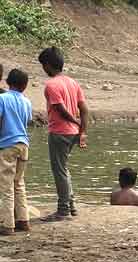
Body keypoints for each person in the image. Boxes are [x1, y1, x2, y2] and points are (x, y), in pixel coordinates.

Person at [38, 47, 88, 222]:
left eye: (43, 65)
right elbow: (84, 109)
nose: (43, 69)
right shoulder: (73, 83)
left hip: (60, 132)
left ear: (49, 65)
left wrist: (76, 122)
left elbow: (60, 109)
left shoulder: (51, 85)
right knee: (64, 170)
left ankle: (63, 210)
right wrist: (82, 131)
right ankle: (71, 206)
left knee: (59, 171)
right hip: (72, 133)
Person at [0, 68, 33, 236]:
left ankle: (7, 224)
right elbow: (27, 121)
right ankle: (23, 220)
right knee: (19, 183)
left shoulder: (2, 99)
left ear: (7, 82)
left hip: (7, 145)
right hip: (23, 145)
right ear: (25, 86)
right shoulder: (27, 102)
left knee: (6, 186)